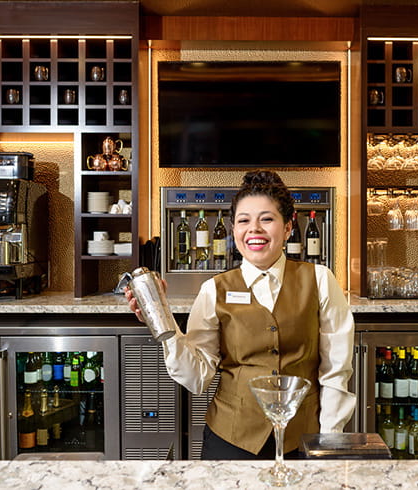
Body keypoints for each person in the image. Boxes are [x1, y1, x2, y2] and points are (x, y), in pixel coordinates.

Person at [126, 170, 355, 459]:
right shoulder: (214, 290)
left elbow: (335, 371)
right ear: (234, 231)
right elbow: (197, 378)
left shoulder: (320, 279)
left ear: (287, 228)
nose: (254, 229)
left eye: (267, 219)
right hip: (231, 439)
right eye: (244, 221)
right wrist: (164, 323)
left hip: (302, 438)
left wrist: (329, 439)